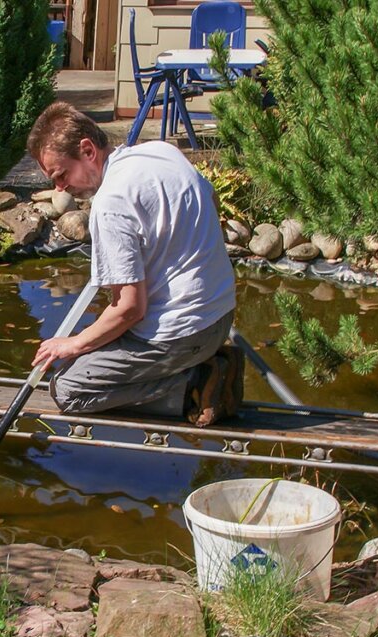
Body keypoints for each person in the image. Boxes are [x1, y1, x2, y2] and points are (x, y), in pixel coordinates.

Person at [26, 101, 243, 426]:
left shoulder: (111, 203)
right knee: (91, 347)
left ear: (87, 150)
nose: (59, 187)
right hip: (221, 317)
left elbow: (129, 310)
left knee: (68, 388)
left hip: (180, 335)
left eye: (61, 174)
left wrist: (72, 344)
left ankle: (194, 384)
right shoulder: (159, 152)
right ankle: (205, 363)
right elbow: (210, 199)